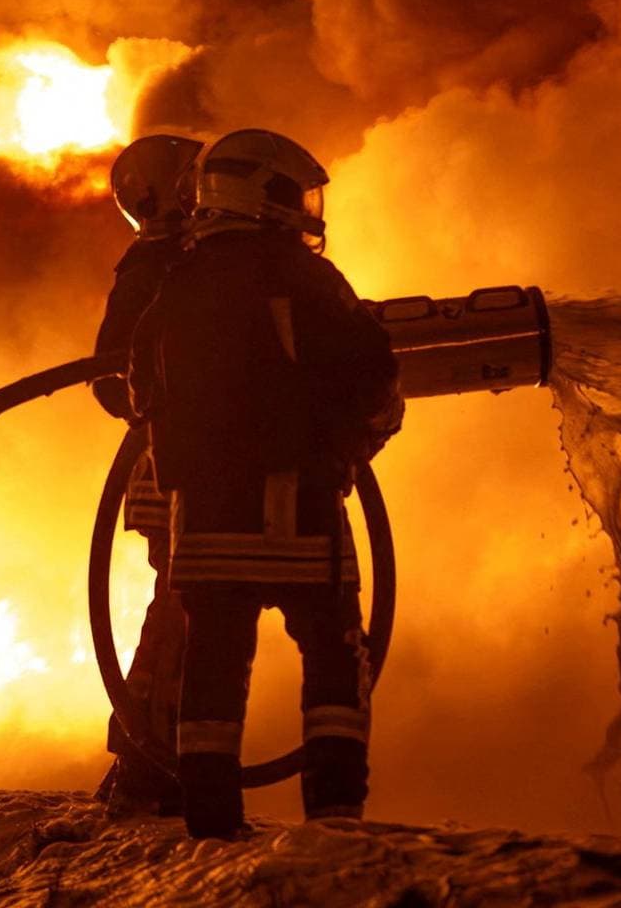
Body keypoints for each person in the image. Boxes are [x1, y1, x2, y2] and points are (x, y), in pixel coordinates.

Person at [129, 128, 404, 839]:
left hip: (202, 528)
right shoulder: (305, 279)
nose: (306, 210)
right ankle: (335, 816)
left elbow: (140, 394)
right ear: (262, 196)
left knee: (213, 670)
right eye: (293, 194)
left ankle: (211, 821)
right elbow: (372, 373)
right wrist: (358, 438)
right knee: (334, 657)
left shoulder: (174, 288)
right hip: (296, 512)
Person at [89, 133, 201, 816]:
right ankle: (147, 767)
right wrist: (175, 397)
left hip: (205, 465)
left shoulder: (209, 262)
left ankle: (157, 761)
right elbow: (109, 378)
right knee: (182, 613)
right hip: (171, 470)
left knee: (190, 614)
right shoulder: (152, 271)